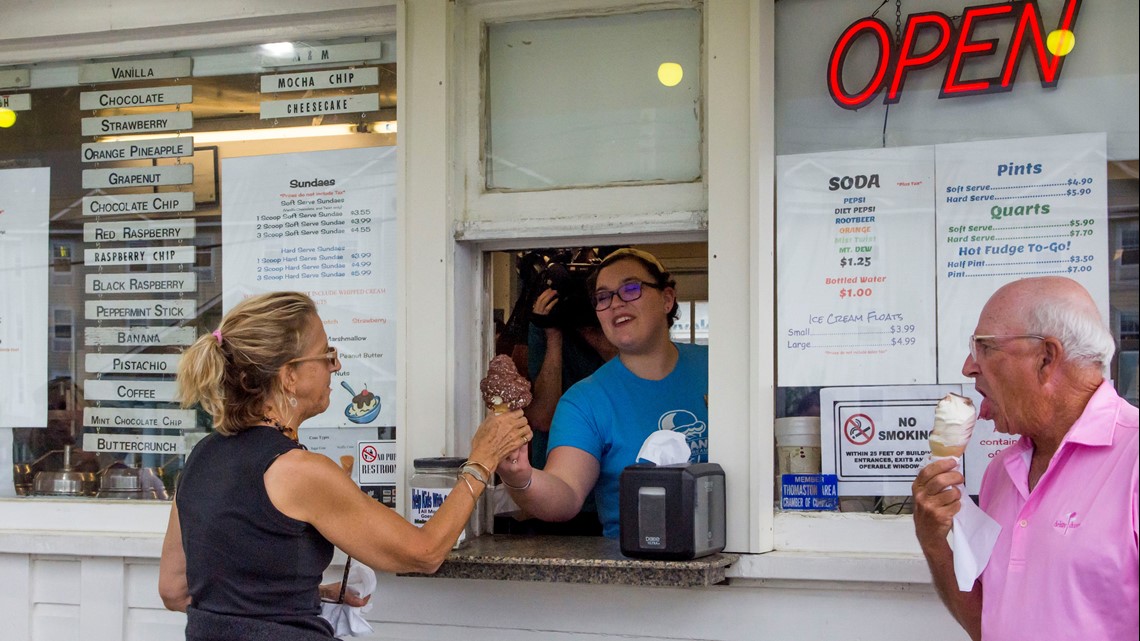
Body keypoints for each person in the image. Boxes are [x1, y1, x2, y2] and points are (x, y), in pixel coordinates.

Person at [159, 292, 530, 641]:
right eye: (326, 355)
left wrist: (305, 595)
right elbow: (424, 553)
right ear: (289, 375)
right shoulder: (298, 470)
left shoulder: (201, 456)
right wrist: (481, 461)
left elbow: (174, 590)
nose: (335, 365)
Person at [911, 276, 1138, 641]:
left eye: (984, 348)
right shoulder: (1002, 470)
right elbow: (987, 625)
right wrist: (935, 541)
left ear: (1046, 358)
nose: (969, 367)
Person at [497, 248, 709, 538]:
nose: (616, 303)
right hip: (635, 564)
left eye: (631, 288)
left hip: (738, 555)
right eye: (603, 297)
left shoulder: (721, 371)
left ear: (667, 298)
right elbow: (566, 491)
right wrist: (521, 477)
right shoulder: (584, 401)